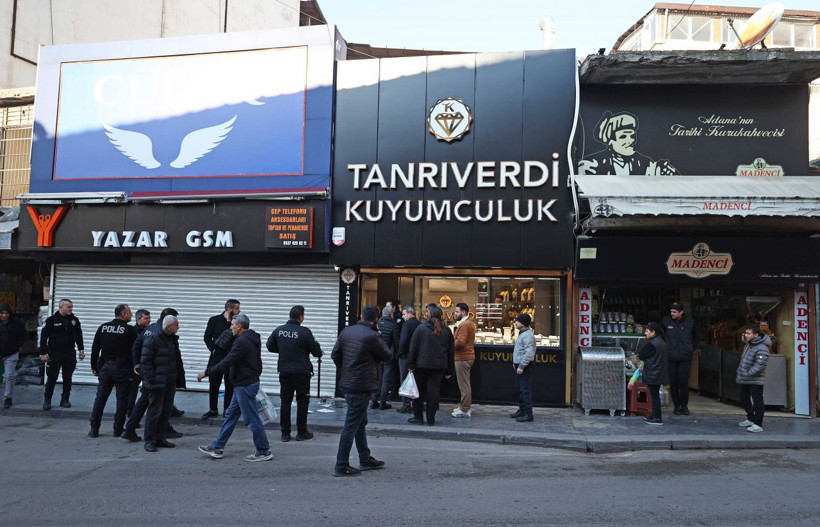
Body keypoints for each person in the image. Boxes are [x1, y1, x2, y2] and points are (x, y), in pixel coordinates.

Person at [198, 313, 272, 462]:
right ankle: (217, 446)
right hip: (242, 384)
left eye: (232, 325)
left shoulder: (242, 341)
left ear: (239, 326)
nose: (230, 327)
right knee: (231, 415)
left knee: (252, 420)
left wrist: (207, 372)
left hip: (244, 385)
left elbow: (228, 361)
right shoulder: (250, 338)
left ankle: (263, 450)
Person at [331, 305, 392, 477]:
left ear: (361, 315)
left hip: (347, 383)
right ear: (376, 318)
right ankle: (341, 465)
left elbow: (335, 354)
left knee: (359, 421)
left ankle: (365, 457)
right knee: (351, 425)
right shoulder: (373, 336)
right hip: (361, 385)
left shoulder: (347, 331)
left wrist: (346, 370)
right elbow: (387, 356)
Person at [122, 307, 180, 442]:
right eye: (176, 322)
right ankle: (152, 435)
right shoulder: (156, 333)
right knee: (154, 408)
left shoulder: (154, 330)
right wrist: (141, 367)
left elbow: (138, 345)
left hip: (160, 375)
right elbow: (142, 351)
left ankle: (130, 429)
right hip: (155, 376)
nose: (178, 325)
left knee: (146, 402)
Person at [266, 305, 323, 443]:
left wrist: (284, 350)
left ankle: (285, 433)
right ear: (301, 317)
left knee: (285, 401)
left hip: (284, 370)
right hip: (301, 372)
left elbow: (269, 346)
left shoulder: (279, 330)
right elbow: (316, 351)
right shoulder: (304, 332)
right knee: (302, 402)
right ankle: (301, 432)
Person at [88, 304, 138, 438]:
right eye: (130, 312)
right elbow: (136, 349)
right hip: (122, 368)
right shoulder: (129, 330)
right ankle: (118, 429)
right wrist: (136, 367)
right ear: (124, 314)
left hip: (105, 367)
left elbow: (95, 349)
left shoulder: (103, 327)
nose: (132, 315)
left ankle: (94, 428)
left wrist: (94, 367)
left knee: (100, 398)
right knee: (122, 399)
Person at [578, 110, 680, 176]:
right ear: (610, 141)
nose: (631, 140)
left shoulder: (647, 164)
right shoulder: (590, 165)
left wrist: (668, 174)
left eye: (632, 135)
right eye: (623, 136)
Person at [407, 305, 455, 427]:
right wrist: (449, 370)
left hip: (421, 364)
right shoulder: (446, 331)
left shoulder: (421, 328)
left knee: (419, 392)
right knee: (433, 392)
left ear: (429, 315)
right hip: (439, 365)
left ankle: (418, 417)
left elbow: (413, 348)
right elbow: (450, 352)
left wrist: (411, 364)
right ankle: (430, 419)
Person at [141, 314, 181, 452]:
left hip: (169, 382)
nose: (178, 327)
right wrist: (152, 380)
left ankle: (160, 438)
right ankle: (149, 440)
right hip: (157, 383)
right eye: (177, 325)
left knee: (165, 411)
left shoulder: (171, 339)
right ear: (169, 326)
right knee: (154, 412)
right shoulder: (153, 339)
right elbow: (145, 362)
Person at [40, 299, 85, 410]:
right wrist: (43, 353)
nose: (71, 309)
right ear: (61, 307)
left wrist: (81, 350)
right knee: (52, 377)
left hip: (69, 353)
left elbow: (79, 335)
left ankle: (65, 399)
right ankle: (47, 400)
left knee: (67, 377)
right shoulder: (51, 320)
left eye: (71, 307)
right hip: (54, 354)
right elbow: (43, 337)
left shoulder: (74, 320)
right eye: (68, 307)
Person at [202, 299, 240, 419]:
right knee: (214, 383)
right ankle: (213, 409)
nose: (239, 310)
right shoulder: (214, 320)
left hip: (231, 357)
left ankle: (227, 410)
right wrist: (212, 349)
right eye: (237, 308)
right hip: (216, 357)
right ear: (229, 309)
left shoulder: (237, 322)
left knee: (230, 384)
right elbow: (207, 336)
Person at [662, 302, 700, 416]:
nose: (672, 314)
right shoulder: (665, 321)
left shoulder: (690, 322)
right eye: (671, 311)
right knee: (673, 382)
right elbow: (661, 335)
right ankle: (676, 406)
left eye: (674, 312)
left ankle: (684, 405)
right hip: (671, 356)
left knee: (683, 382)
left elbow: (697, 336)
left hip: (685, 356)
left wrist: (692, 348)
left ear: (681, 312)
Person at [736, 324, 770, 433]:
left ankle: (758, 423)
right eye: (745, 333)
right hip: (746, 378)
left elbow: (760, 365)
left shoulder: (762, 347)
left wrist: (748, 373)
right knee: (744, 397)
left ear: (755, 335)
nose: (745, 335)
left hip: (755, 379)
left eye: (748, 333)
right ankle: (751, 418)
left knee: (757, 400)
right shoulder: (749, 345)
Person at [638, 322, 668, 426]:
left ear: (653, 332)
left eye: (647, 331)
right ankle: (655, 414)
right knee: (654, 395)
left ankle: (657, 418)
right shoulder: (661, 342)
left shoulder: (652, 344)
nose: (645, 333)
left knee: (654, 395)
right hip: (659, 371)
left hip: (653, 371)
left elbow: (641, 355)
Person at [372, 305, 399, 410]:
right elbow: (396, 343)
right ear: (391, 314)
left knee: (376, 378)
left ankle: (374, 400)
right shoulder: (394, 326)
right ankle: (383, 402)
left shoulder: (376, 324)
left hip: (376, 356)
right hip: (387, 356)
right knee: (386, 380)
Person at [451, 302, 476, 418]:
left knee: (464, 385)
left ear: (463, 312)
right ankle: (463, 406)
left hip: (463, 357)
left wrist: (450, 345)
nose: (455, 314)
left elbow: (460, 342)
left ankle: (465, 409)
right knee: (465, 384)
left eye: (457, 312)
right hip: (466, 356)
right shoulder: (467, 323)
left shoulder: (465, 325)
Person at [0, 302, 27, 409]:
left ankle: (8, 398)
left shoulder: (17, 323)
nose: (4, 315)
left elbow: (24, 335)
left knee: (9, 376)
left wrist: (16, 346)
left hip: (11, 353)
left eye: (6, 313)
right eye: (1, 313)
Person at [126, 309, 151, 419]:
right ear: (138, 319)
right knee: (132, 391)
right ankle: (130, 413)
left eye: (149, 318)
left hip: (147, 365)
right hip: (136, 366)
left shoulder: (150, 331)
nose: (148, 321)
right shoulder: (132, 331)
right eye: (146, 318)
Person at [510, 313, 536, 422]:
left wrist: (521, 366)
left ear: (523, 323)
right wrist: (515, 363)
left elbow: (529, 353)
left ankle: (528, 414)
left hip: (524, 366)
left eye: (517, 321)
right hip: (520, 365)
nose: (515, 323)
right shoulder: (523, 333)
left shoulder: (527, 335)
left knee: (525, 390)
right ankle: (522, 410)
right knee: (521, 389)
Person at [395, 306, 420, 414]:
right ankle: (416, 403)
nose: (403, 317)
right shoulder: (419, 324)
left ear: (410, 314)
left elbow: (403, 341)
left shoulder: (406, 324)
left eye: (404, 314)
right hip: (417, 357)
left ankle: (406, 405)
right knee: (415, 381)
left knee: (404, 380)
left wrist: (400, 353)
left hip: (406, 357)